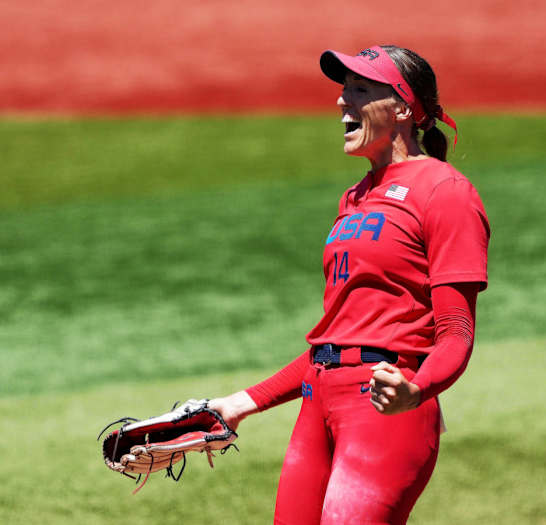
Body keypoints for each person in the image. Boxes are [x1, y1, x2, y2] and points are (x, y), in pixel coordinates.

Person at [209, 44, 490, 524]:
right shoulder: (354, 198)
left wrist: (416, 390)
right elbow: (334, 342)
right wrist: (241, 403)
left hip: (384, 409)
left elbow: (456, 333)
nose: (343, 101)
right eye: (344, 90)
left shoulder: (445, 192)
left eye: (360, 89)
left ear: (403, 108)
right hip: (318, 402)